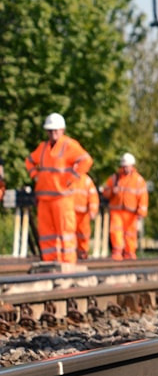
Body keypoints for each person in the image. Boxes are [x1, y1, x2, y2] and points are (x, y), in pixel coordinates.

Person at [24, 113, 93, 264]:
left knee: (66, 232)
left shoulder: (69, 145)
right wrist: (35, 176)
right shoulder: (42, 148)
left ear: (62, 130)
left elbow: (86, 160)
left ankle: (68, 262)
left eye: (55, 130)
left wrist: (72, 177)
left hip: (63, 197)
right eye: (50, 130)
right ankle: (49, 261)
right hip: (44, 199)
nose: (52, 133)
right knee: (46, 233)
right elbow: (29, 162)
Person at [102, 152, 149, 260]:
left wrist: (141, 212)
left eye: (127, 166)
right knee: (116, 231)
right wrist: (112, 191)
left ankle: (130, 253)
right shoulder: (115, 178)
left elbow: (143, 197)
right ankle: (117, 253)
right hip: (116, 211)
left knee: (130, 234)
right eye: (124, 166)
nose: (125, 168)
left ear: (132, 166)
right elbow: (106, 192)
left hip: (131, 212)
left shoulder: (138, 180)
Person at [73, 171, 99, 260]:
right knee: (69, 234)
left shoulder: (86, 180)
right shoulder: (67, 177)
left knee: (83, 234)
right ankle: (72, 253)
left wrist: (93, 211)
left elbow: (93, 197)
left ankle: (82, 253)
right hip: (70, 212)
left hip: (83, 214)